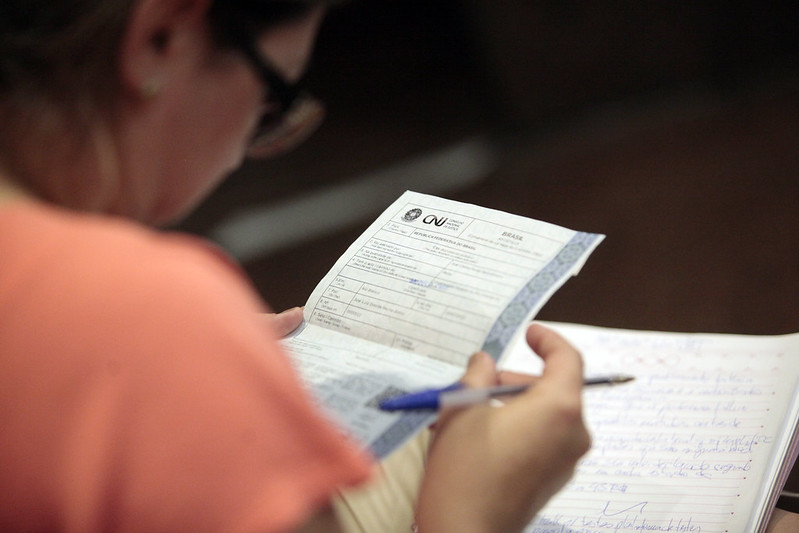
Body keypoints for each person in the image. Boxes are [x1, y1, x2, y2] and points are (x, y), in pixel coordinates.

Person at [0, 1, 592, 532]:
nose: (236, 155)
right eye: (271, 98)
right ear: (162, 37)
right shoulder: (139, 310)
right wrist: (472, 518)